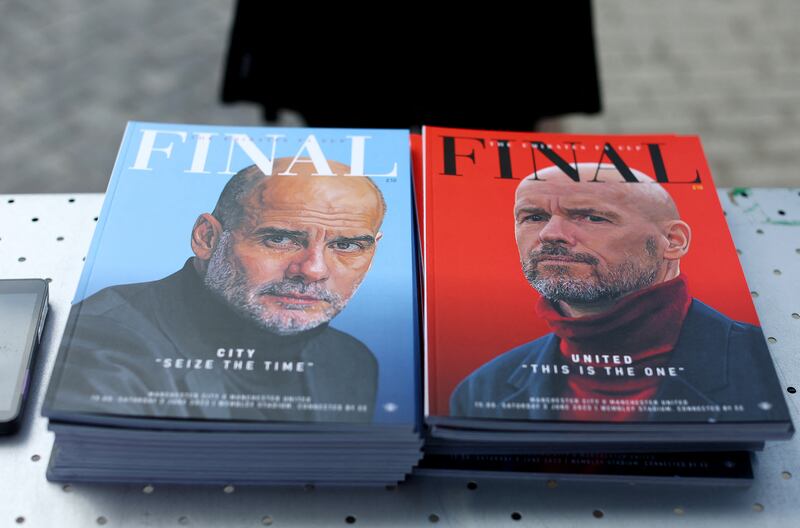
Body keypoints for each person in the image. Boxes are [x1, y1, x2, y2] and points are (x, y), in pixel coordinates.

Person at [52, 158, 385, 423]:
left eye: (348, 245)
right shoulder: (104, 339)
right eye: (280, 239)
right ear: (207, 238)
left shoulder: (351, 362)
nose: (313, 270)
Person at [450, 163, 782, 422]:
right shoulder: (482, 389)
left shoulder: (768, 368)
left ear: (674, 241)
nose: (551, 234)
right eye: (534, 216)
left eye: (593, 217)